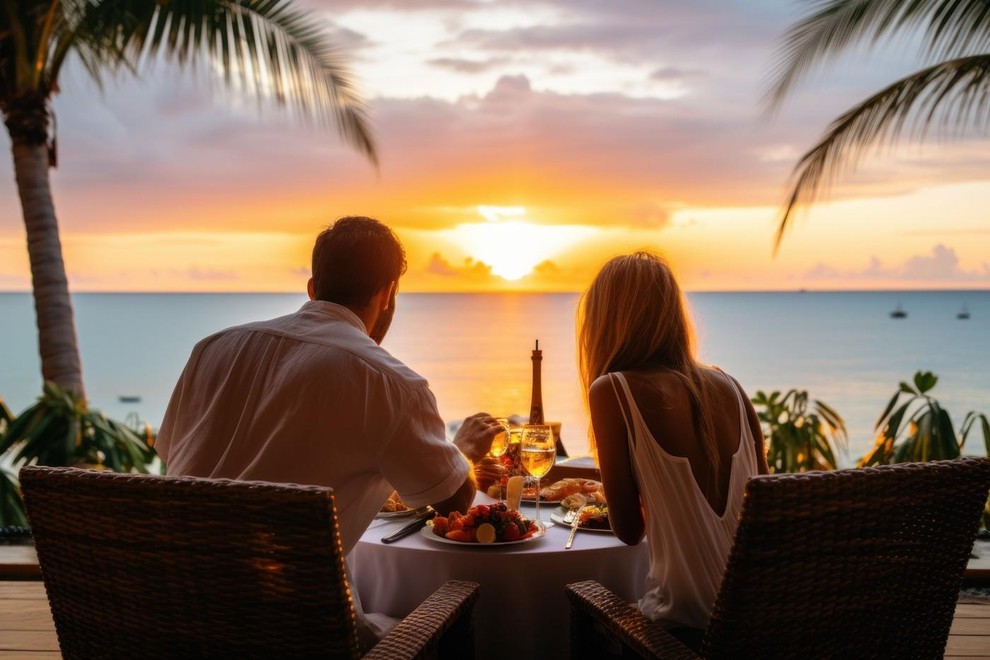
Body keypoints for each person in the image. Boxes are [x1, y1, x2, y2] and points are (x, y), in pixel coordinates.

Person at [156, 216, 501, 644]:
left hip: (172, 622)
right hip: (296, 634)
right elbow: (451, 498)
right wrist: (463, 448)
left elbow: (172, 456)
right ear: (388, 293)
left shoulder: (211, 348)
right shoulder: (388, 383)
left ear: (312, 288)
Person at [577, 252, 769, 641]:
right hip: (759, 625)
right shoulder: (731, 387)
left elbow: (629, 530)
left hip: (683, 630)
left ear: (606, 323)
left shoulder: (613, 391)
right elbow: (766, 510)